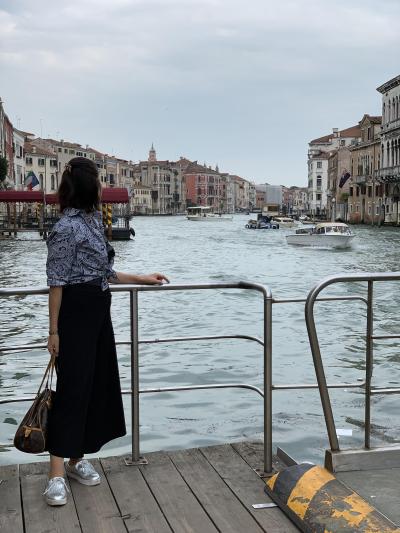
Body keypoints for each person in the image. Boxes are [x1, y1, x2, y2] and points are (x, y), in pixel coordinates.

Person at [44, 157, 169, 506]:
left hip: (99, 309)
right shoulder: (65, 228)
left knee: (97, 385)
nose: (102, 188)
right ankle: (55, 473)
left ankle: (76, 459)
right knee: (72, 388)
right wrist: (54, 331)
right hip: (75, 314)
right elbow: (56, 281)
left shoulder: (94, 221)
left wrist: (142, 278)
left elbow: (104, 273)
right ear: (89, 188)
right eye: (98, 182)